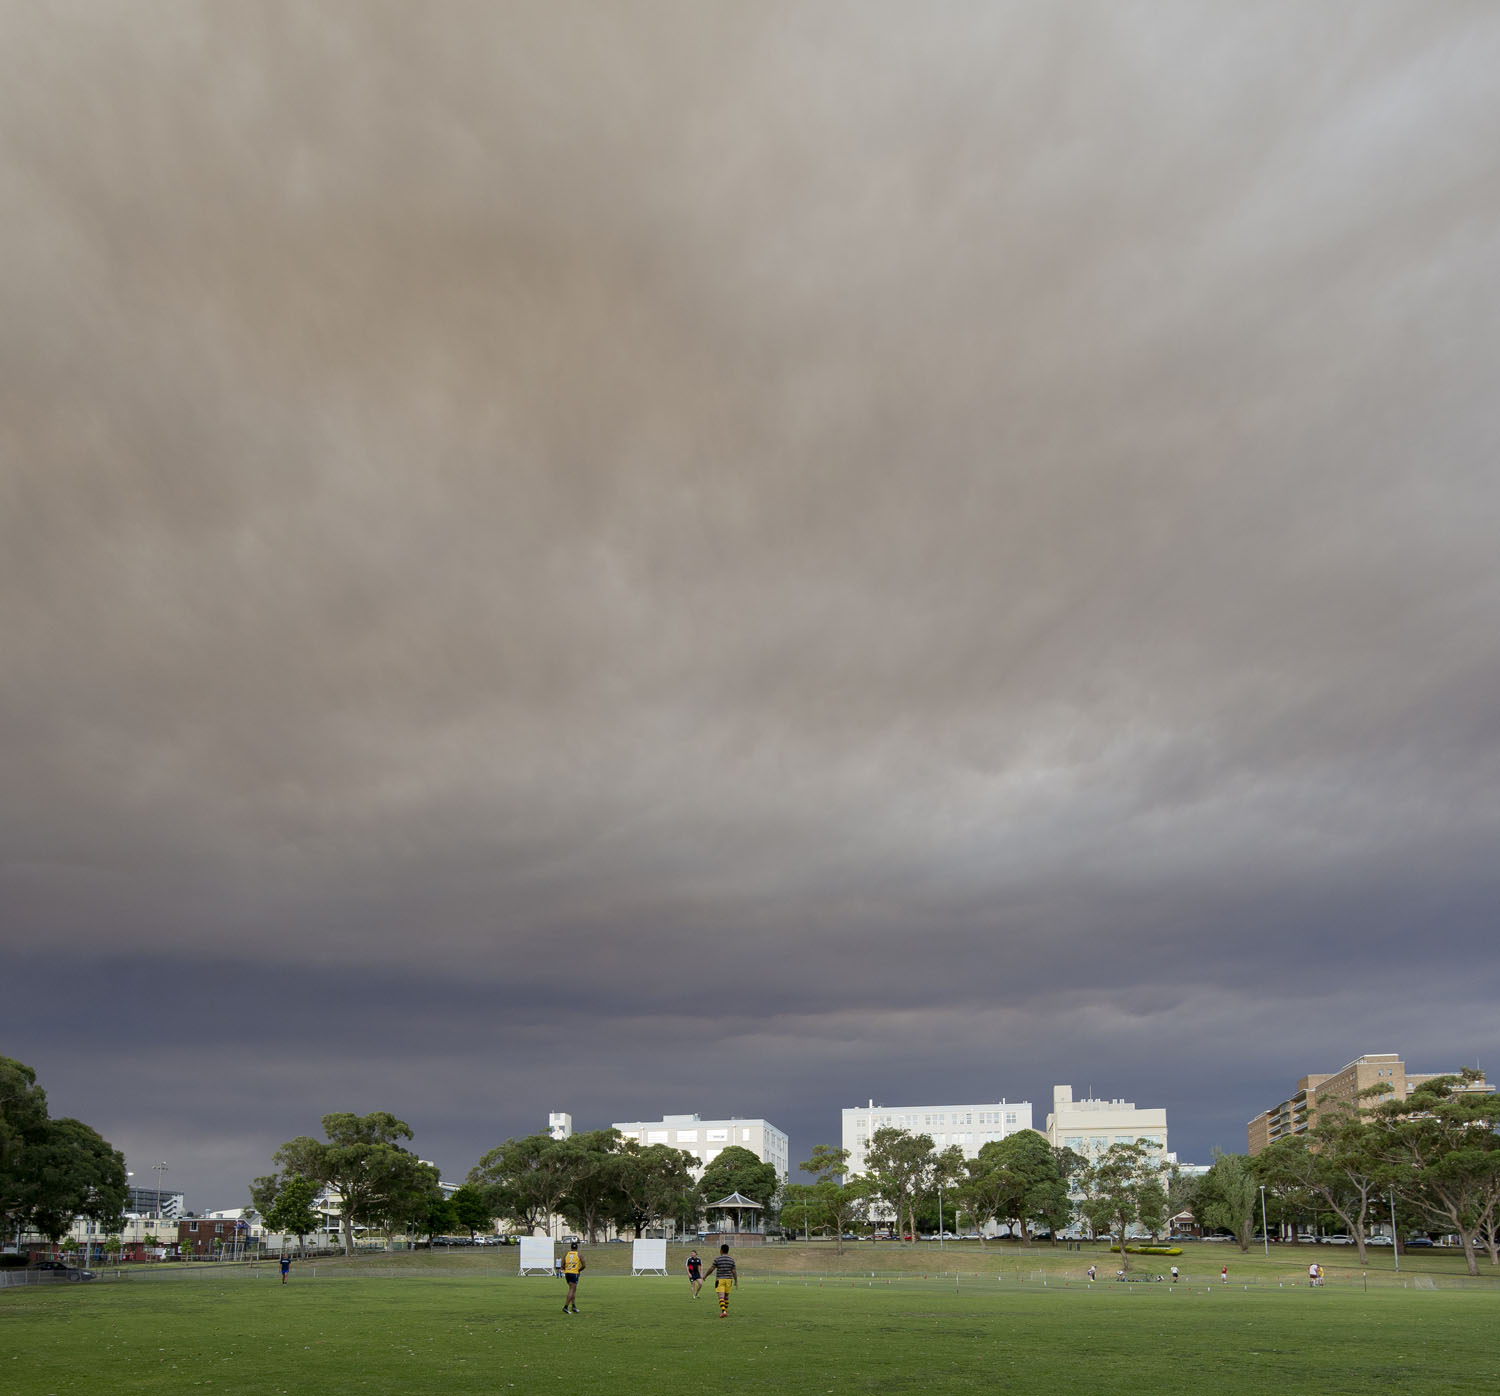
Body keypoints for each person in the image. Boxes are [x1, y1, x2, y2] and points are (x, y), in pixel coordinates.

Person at [708, 1243, 737, 1317]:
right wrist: (736, 1281)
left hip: (720, 1280)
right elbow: (734, 1271)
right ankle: (725, 1311)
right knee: (726, 1297)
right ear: (728, 1251)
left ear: (721, 1250)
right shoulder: (731, 1260)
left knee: (721, 1297)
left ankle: (723, 1311)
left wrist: (705, 1276)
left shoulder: (718, 1259)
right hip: (729, 1280)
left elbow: (711, 1269)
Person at [561, 1241, 585, 1314]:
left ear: (571, 1247)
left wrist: (567, 1270)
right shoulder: (579, 1255)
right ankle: (565, 1306)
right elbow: (584, 1265)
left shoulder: (566, 1254)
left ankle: (574, 1306)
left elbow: (562, 1264)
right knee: (572, 1289)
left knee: (573, 1289)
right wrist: (578, 1270)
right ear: (577, 1248)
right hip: (574, 1273)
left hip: (567, 1273)